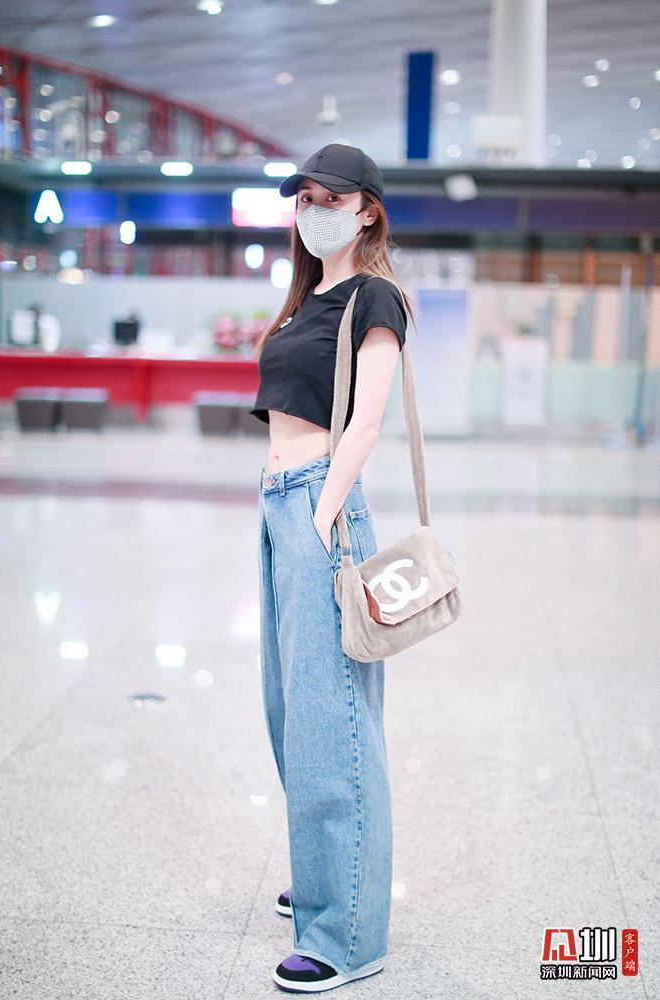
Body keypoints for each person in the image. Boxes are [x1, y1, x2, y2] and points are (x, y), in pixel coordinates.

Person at [249, 142, 416, 993]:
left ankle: (348, 934)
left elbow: (367, 422)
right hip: (279, 505)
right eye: (304, 197)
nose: (312, 210)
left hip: (321, 507)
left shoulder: (374, 295)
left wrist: (320, 517)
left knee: (335, 721)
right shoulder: (306, 298)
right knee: (292, 711)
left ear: (367, 210)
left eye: (330, 198)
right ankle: (325, 877)